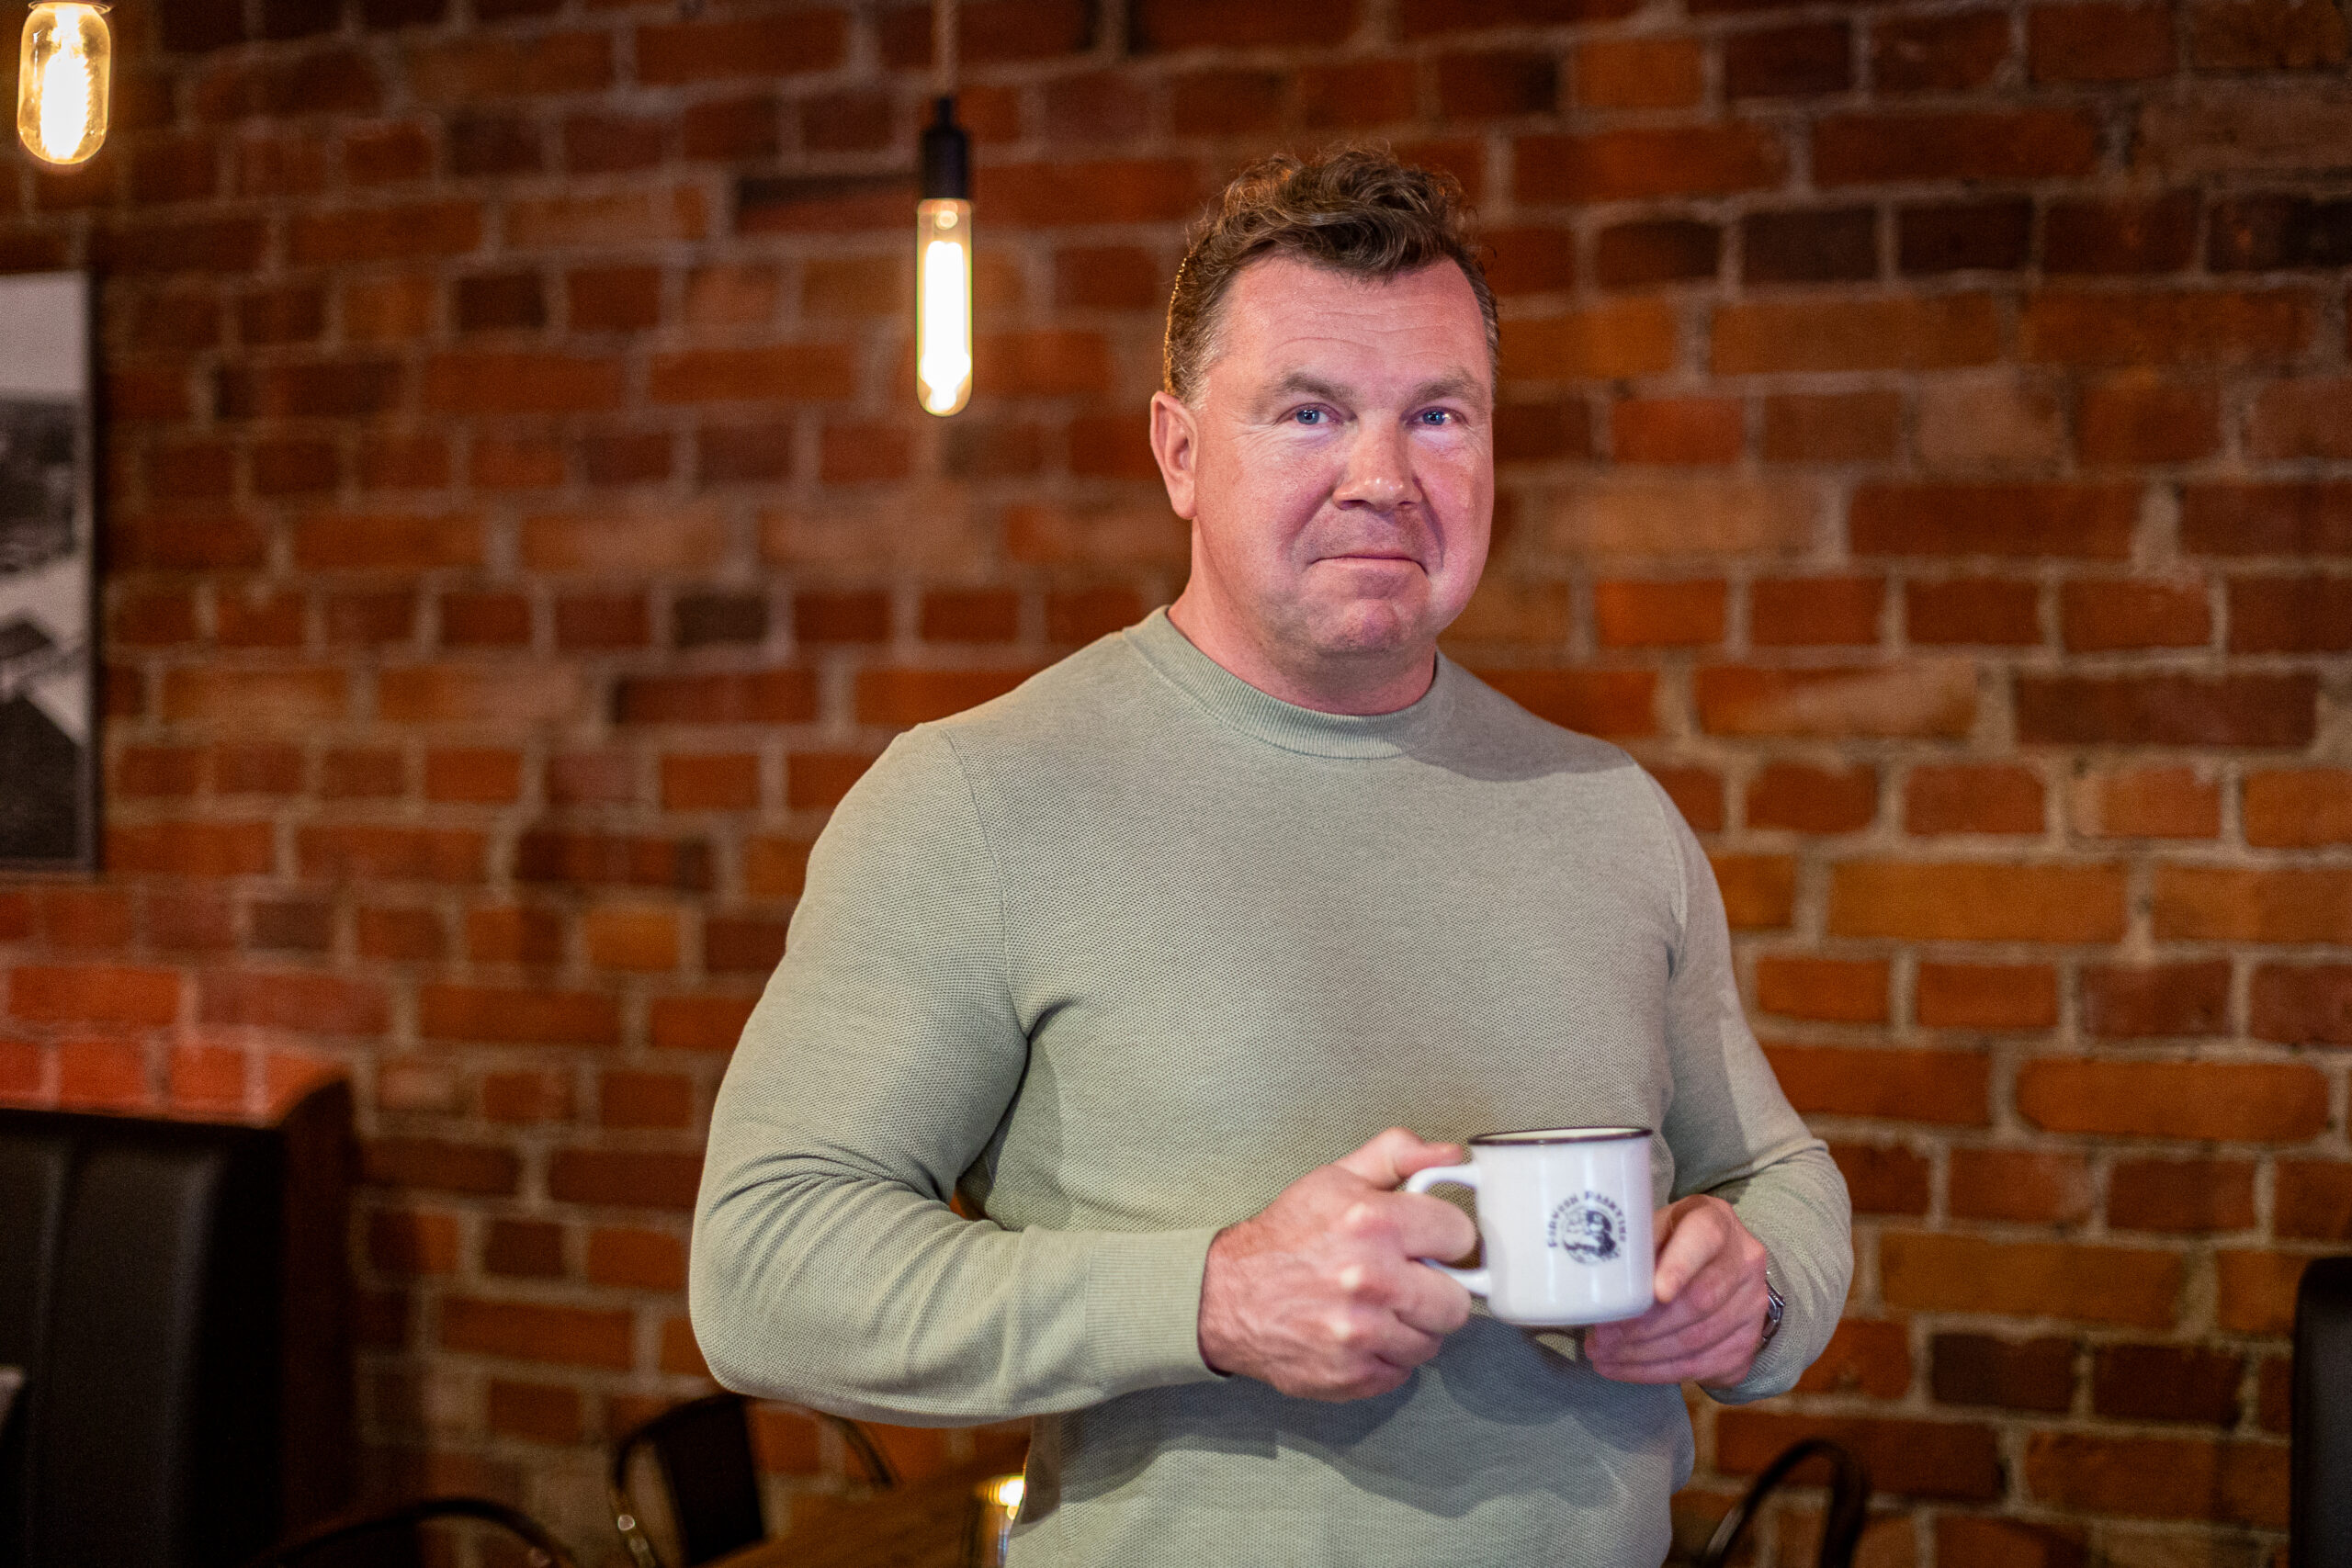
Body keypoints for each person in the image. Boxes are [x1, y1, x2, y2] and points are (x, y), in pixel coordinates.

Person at [692, 148, 1852, 1568]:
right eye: (1310, 411)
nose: (1385, 476)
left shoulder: (1605, 806)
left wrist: (1758, 1287)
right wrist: (1212, 1300)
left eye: (1439, 414)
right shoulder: (979, 800)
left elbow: (1775, 1175)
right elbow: (764, 1268)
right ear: (1179, 452)